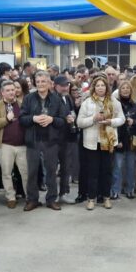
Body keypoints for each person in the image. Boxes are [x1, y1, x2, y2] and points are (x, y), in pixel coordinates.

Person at [20, 71, 68, 211]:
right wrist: (33, 118)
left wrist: (52, 119)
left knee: (51, 171)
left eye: (43, 81)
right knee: (32, 171)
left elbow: (63, 120)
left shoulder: (56, 99)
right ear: (35, 83)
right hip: (33, 141)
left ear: (49, 83)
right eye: (38, 81)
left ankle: (51, 199)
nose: (40, 84)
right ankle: (32, 199)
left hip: (51, 141)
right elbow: (22, 119)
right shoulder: (28, 98)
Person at [77, 75, 125, 210]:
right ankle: (91, 199)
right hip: (92, 143)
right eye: (97, 85)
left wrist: (111, 122)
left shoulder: (114, 101)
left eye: (102, 85)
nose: (100, 88)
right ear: (93, 87)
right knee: (92, 172)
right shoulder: (87, 102)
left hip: (108, 142)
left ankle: (106, 197)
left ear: (106, 87)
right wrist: (93, 118)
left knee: (107, 171)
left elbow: (122, 119)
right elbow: (79, 122)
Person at [0, 80, 27, 209]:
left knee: (25, 172)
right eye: (8, 90)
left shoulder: (22, 105)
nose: (11, 92)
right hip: (4, 145)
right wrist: (6, 119)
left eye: (13, 89)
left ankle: (30, 197)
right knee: (6, 172)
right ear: (2, 93)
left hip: (22, 145)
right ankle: (10, 197)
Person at [114, 80, 136, 200]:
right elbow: (113, 124)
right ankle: (115, 190)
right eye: (123, 88)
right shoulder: (115, 105)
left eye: (128, 88)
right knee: (117, 166)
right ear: (119, 91)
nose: (125, 90)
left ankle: (130, 189)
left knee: (131, 167)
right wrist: (117, 140)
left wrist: (134, 122)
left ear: (131, 91)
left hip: (132, 141)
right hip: (119, 141)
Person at [55, 75, 81, 204]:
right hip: (56, 138)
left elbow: (71, 112)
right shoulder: (53, 98)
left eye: (67, 85)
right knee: (53, 168)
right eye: (63, 85)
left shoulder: (68, 97)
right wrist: (65, 119)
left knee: (67, 167)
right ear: (56, 86)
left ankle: (64, 192)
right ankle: (53, 193)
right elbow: (51, 116)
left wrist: (75, 110)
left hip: (69, 137)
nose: (66, 87)